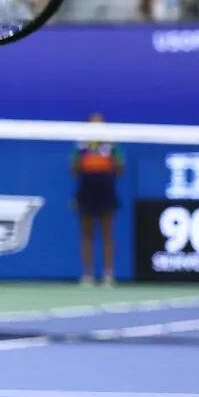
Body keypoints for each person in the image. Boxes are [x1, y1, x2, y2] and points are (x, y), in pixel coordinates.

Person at [72, 111, 124, 287]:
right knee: (86, 235)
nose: (97, 126)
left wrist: (106, 160)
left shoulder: (111, 146)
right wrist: (87, 158)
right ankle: (88, 275)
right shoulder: (80, 146)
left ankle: (108, 274)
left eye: (100, 123)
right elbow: (73, 170)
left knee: (108, 234)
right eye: (93, 123)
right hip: (86, 190)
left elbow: (120, 169)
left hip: (106, 190)